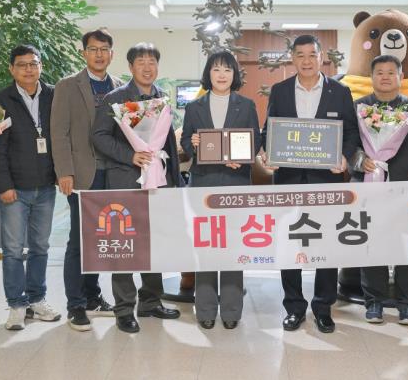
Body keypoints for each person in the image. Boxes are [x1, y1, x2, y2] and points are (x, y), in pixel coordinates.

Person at [259, 34, 359, 334]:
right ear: (293, 58)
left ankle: (323, 307)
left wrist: (344, 156)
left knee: (326, 245)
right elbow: (269, 130)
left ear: (321, 57)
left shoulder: (339, 91)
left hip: (325, 180)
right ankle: (294, 307)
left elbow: (351, 132)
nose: (306, 61)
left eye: (311, 55)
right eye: (300, 55)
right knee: (288, 244)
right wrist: (267, 153)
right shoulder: (280, 91)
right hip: (288, 180)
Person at [92, 42, 182, 333]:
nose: (147, 67)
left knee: (154, 243)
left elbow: (168, 142)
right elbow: (99, 137)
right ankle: (124, 309)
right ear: (130, 67)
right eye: (140, 62)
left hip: (157, 181)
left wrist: (175, 181)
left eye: (152, 62)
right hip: (124, 180)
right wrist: (129, 155)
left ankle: (150, 301)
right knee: (125, 245)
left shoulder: (161, 97)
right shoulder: (115, 98)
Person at [180, 51, 261, 330]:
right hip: (204, 184)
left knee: (233, 248)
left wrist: (244, 157)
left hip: (235, 182)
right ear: (208, 74)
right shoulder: (194, 107)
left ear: (234, 74)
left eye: (227, 69)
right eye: (216, 69)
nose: (222, 74)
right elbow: (186, 141)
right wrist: (192, 143)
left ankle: (231, 310)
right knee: (206, 247)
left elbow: (255, 141)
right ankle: (204, 309)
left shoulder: (246, 105)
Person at [350, 55, 408, 326]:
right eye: (379, 72)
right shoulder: (358, 108)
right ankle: (374, 301)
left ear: (401, 77)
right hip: (370, 187)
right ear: (371, 77)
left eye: (391, 72)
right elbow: (347, 144)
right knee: (371, 244)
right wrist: (360, 160)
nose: (385, 77)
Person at [51, 29, 120, 331]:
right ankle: (75, 304)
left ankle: (93, 296)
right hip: (82, 174)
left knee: (101, 239)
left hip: (113, 174)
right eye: (93, 49)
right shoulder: (68, 86)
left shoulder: (120, 86)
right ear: (84, 53)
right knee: (79, 240)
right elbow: (59, 132)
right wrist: (64, 171)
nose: (99, 54)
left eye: (104, 49)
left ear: (112, 54)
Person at [0, 45, 61, 330]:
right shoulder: (0, 100)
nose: (29, 69)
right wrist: (3, 186)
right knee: (13, 250)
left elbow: (62, 137)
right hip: (14, 190)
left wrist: (61, 174)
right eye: (22, 64)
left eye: (33, 63)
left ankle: (37, 299)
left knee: (41, 247)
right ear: (12, 69)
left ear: (41, 66)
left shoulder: (54, 95)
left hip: (46, 186)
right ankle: (17, 305)